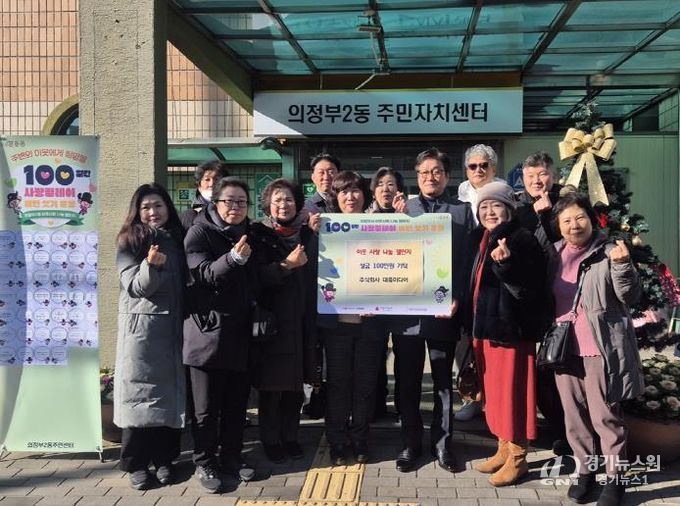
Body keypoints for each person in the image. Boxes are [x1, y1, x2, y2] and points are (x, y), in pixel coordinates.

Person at [550, 192, 643, 506]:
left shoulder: (608, 252)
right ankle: (586, 472)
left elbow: (630, 297)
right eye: (566, 220)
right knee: (574, 417)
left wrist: (623, 266)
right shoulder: (554, 254)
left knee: (605, 418)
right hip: (564, 350)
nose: (574, 225)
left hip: (599, 350)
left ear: (591, 220)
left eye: (580, 218)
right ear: (558, 225)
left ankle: (615, 479)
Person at [392, 147, 475, 473]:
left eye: (437, 171)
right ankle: (410, 443)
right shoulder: (404, 209)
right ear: (417, 176)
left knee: (442, 382)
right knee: (407, 381)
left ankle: (443, 445)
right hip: (406, 313)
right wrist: (394, 221)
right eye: (425, 172)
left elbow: (468, 261)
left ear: (447, 176)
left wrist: (459, 298)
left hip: (443, 309)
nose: (431, 177)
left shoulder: (462, 211)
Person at [469, 181, 546, 487]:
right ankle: (503, 448)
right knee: (495, 394)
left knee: (513, 394)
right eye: (484, 207)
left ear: (510, 209)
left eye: (496, 206)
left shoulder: (521, 239)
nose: (489, 212)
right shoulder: (484, 237)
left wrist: (506, 265)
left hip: (511, 332)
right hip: (488, 331)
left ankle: (518, 458)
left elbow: (530, 289)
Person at [183, 177, 258, 492]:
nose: (236, 207)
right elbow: (202, 274)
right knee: (206, 408)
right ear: (215, 202)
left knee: (236, 404)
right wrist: (233, 259)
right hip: (206, 334)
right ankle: (204, 462)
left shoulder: (251, 232)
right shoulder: (198, 232)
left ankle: (231, 457)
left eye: (242, 202)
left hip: (240, 333)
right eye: (230, 201)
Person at [114, 183, 186, 490]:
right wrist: (150, 266)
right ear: (137, 211)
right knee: (139, 395)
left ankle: (166, 459)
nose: (153, 212)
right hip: (141, 332)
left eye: (158, 205)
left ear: (168, 208)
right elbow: (135, 286)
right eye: (146, 207)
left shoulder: (178, 238)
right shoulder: (128, 240)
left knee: (169, 397)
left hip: (176, 329)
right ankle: (136, 463)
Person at [249, 178, 320, 463]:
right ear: (268, 205)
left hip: (302, 323)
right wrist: (286, 266)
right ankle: (270, 439)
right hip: (273, 325)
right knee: (271, 388)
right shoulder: (258, 235)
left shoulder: (308, 235)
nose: (283, 204)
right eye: (277, 199)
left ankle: (290, 437)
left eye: (289, 199)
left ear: (298, 204)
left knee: (295, 386)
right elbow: (256, 277)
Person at [322, 170, 384, 465]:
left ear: (365, 195)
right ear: (336, 197)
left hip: (371, 325)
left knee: (365, 386)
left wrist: (381, 302)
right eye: (344, 191)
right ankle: (336, 440)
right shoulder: (324, 230)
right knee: (338, 385)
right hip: (337, 325)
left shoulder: (381, 229)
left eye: (356, 190)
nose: (350, 196)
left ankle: (360, 439)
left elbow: (394, 271)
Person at [514, 151, 569, 456]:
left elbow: (565, 245)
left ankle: (563, 430)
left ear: (553, 176)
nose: (536, 180)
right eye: (530, 176)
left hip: (561, 299)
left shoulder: (565, 204)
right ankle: (532, 426)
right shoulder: (517, 206)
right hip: (527, 300)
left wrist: (547, 216)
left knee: (556, 366)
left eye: (542, 174)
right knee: (530, 368)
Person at [454, 143, 504, 422]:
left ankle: (495, 401)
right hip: (466, 275)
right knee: (465, 342)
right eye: (473, 166)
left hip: (495, 276)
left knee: (494, 344)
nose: (478, 170)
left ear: (493, 168)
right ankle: (469, 397)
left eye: (484, 165)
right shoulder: (459, 198)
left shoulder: (507, 195)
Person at [367, 167, 407, 419]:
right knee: (375, 354)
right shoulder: (363, 218)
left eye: (391, 184)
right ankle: (376, 405)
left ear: (399, 190)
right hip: (374, 300)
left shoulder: (412, 216)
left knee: (404, 356)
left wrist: (405, 220)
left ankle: (404, 406)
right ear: (373, 191)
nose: (385, 189)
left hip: (404, 299)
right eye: (380, 184)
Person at [179, 160, 229, 231]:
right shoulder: (189, 216)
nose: (211, 184)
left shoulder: (234, 210)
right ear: (199, 185)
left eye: (216, 179)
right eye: (207, 179)